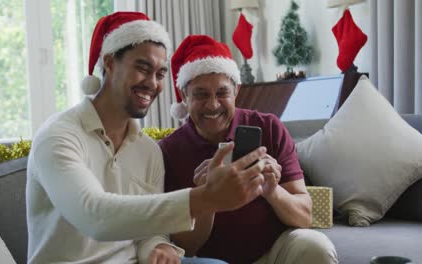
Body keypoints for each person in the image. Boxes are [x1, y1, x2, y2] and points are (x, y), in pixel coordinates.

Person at [26, 12, 268, 264]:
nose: (152, 83)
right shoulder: (58, 136)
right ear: (109, 63)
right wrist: (207, 197)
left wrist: (159, 247)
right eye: (142, 68)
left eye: (160, 74)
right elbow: (94, 215)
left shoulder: (148, 151)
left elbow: (149, 231)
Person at [159, 35, 338, 264]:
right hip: (211, 260)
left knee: (316, 247)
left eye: (222, 92)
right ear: (185, 96)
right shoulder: (169, 151)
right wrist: (208, 197)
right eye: (201, 94)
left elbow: (304, 216)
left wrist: (271, 190)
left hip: (272, 251)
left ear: (236, 91)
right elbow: (187, 247)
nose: (213, 105)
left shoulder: (269, 127)